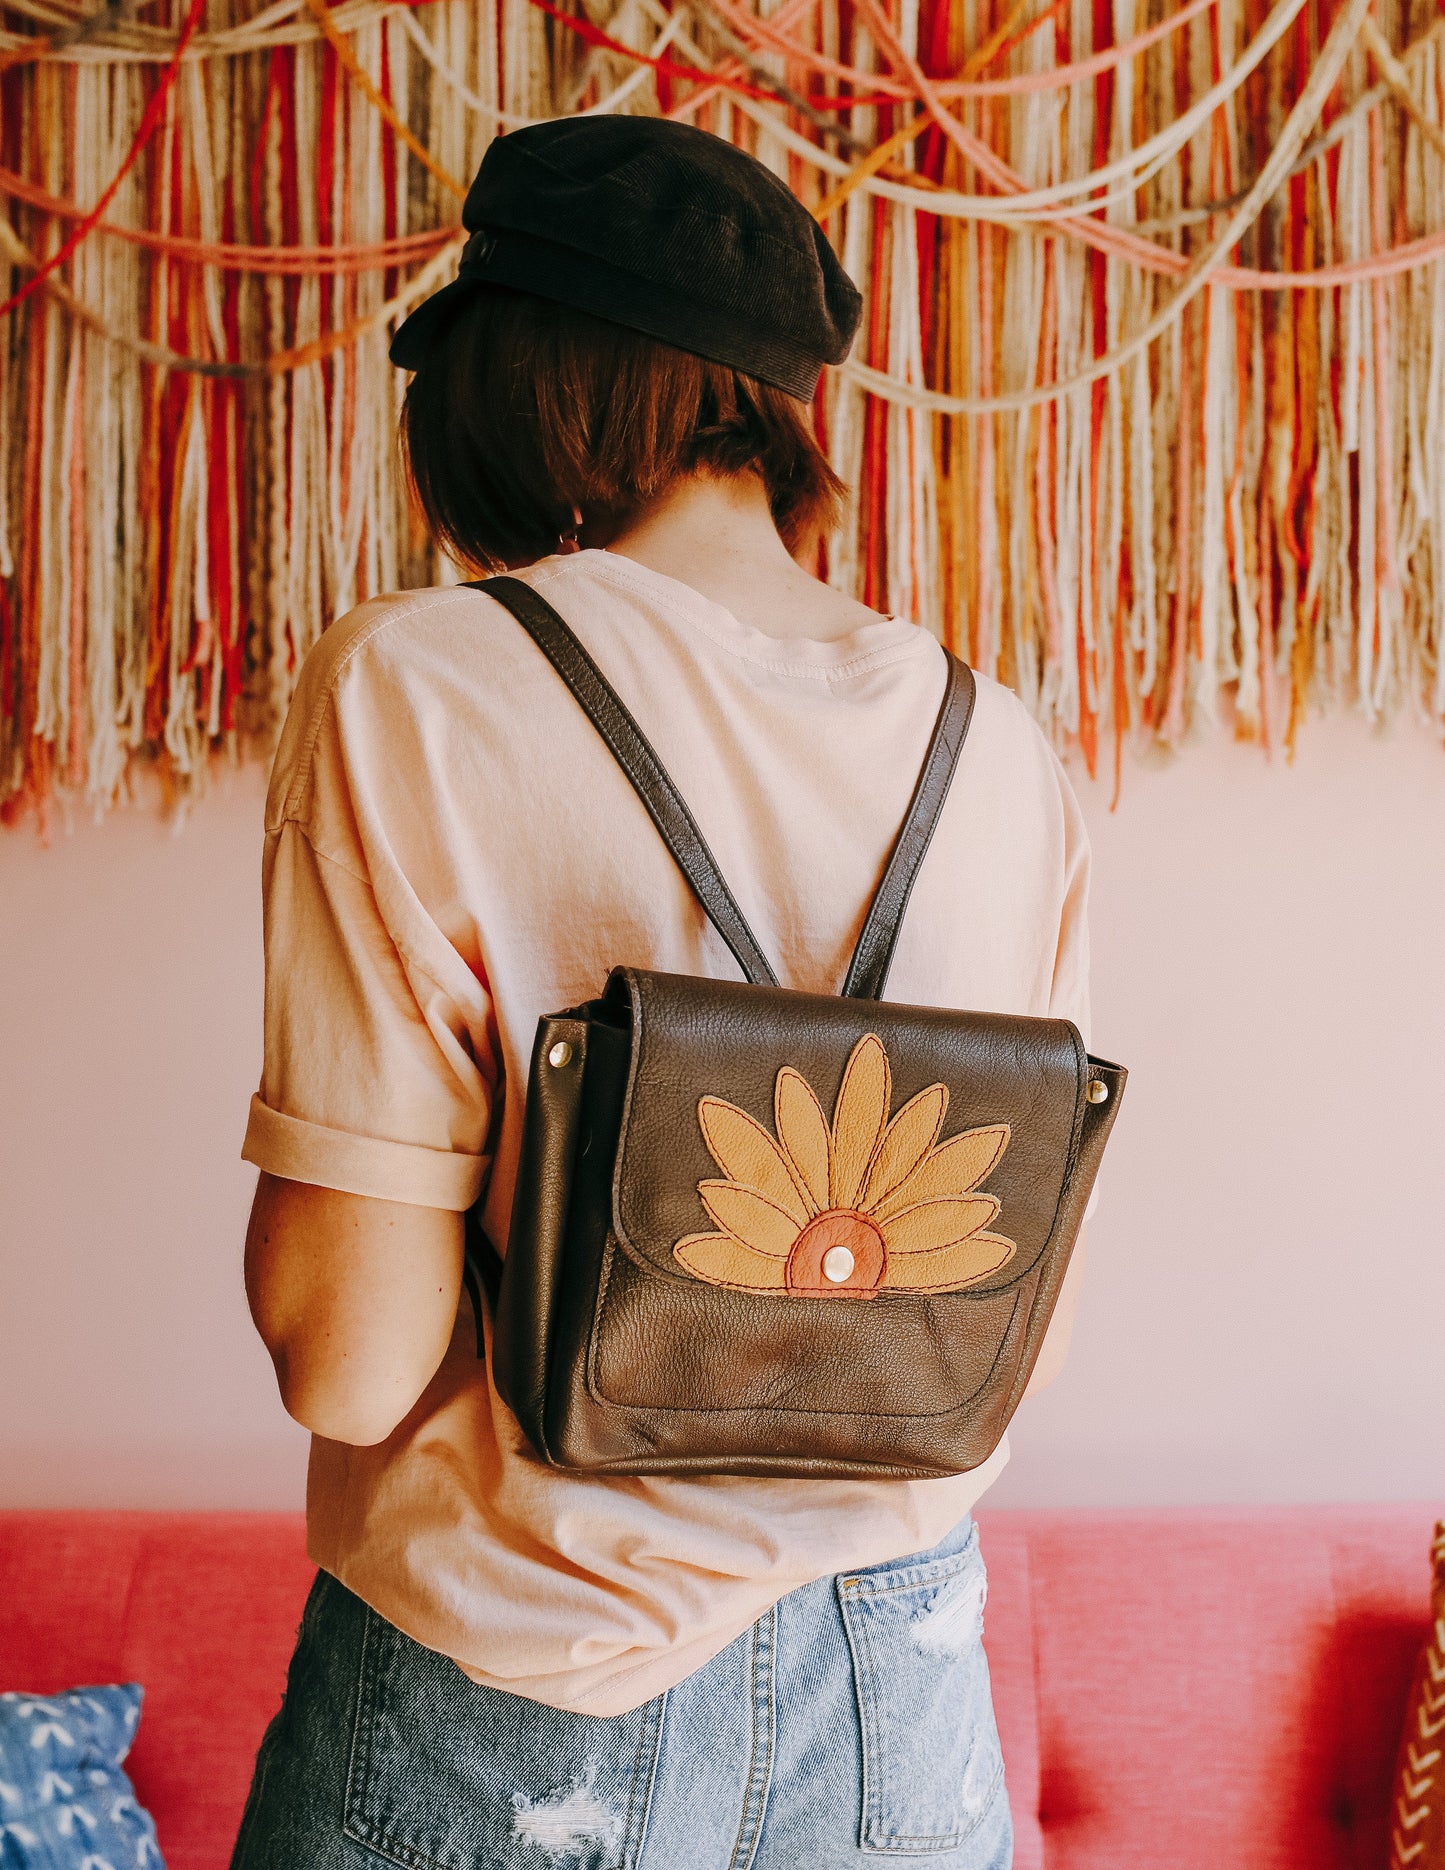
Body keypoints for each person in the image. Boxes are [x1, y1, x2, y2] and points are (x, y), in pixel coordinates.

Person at [232, 115, 1091, 1870]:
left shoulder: (425, 685)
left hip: (517, 1673)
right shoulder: (1001, 748)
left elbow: (346, 1355)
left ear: (515, 375)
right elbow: (1002, 1330)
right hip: (903, 1694)